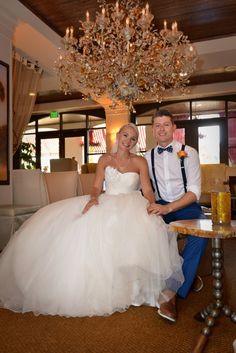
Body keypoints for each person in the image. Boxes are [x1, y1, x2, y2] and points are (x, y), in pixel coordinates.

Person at [0, 123, 183, 320]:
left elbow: (147, 189)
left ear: (135, 142)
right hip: (107, 200)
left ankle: (135, 288)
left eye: (132, 138)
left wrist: (151, 204)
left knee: (141, 232)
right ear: (118, 136)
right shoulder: (104, 159)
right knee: (87, 230)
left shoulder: (140, 162)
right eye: (125, 135)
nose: (127, 141)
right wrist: (94, 197)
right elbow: (96, 186)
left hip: (132, 203)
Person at [145, 109, 208, 302]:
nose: (162, 129)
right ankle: (183, 273)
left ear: (173, 128)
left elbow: (194, 191)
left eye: (166, 125)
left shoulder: (189, 153)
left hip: (186, 204)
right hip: (161, 204)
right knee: (148, 232)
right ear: (152, 130)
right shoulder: (146, 157)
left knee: (201, 235)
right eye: (157, 125)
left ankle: (174, 289)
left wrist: (169, 208)